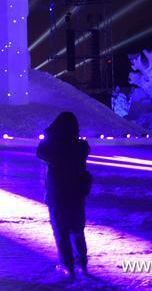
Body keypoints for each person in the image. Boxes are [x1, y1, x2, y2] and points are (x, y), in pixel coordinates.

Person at [37, 112, 91, 279]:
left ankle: (68, 265)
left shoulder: (53, 147)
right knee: (77, 230)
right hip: (77, 193)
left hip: (58, 193)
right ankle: (82, 262)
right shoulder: (81, 147)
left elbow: (40, 151)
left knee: (61, 232)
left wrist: (49, 133)